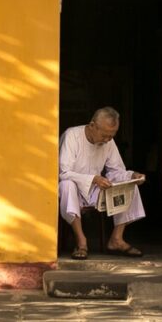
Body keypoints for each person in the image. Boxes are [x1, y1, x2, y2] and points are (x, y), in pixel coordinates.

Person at [58, 107, 145, 258]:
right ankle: (81, 242)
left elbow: (116, 170)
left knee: (129, 185)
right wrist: (94, 179)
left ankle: (116, 239)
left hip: (94, 191)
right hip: (73, 191)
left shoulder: (108, 142)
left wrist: (132, 175)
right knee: (67, 185)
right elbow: (63, 172)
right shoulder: (72, 135)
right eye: (104, 135)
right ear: (92, 126)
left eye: (111, 136)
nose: (107, 140)